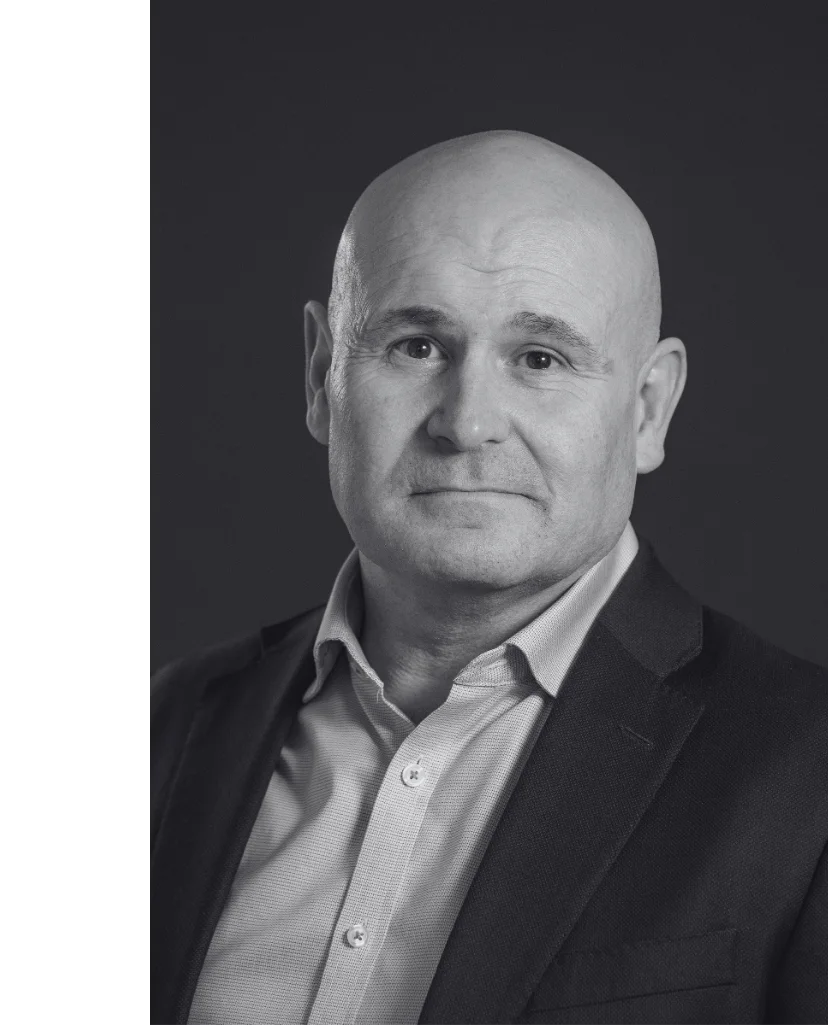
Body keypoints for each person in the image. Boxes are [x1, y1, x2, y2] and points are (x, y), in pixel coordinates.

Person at [144, 130, 826, 1026]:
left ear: (648, 409)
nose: (467, 424)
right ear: (321, 375)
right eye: (417, 346)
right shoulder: (170, 727)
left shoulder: (807, 778)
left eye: (540, 359)